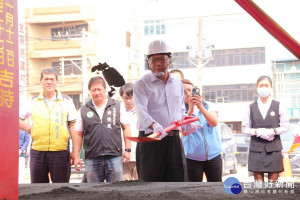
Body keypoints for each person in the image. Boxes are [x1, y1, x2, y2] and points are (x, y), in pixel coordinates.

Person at [133, 40, 196, 182]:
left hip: (173, 139)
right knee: (151, 186)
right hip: (150, 140)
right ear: (148, 62)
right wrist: (155, 125)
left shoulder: (177, 83)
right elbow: (141, 111)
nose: (158, 64)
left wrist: (186, 122)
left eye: (162, 59)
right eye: (154, 60)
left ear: (170, 61)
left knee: (178, 183)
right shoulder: (141, 84)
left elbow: (179, 110)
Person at [19, 68, 77, 183]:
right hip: (37, 151)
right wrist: (30, 129)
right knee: (38, 188)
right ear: (41, 82)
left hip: (61, 151)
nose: (49, 82)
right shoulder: (33, 100)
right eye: (46, 79)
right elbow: (17, 119)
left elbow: (73, 126)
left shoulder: (67, 100)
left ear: (57, 82)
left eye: (52, 79)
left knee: (62, 189)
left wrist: (75, 151)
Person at [72, 76, 131, 183]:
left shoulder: (117, 106)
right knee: (94, 192)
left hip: (114, 157)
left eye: (99, 89)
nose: (97, 92)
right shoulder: (84, 109)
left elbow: (126, 127)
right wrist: (76, 156)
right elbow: (78, 134)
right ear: (89, 91)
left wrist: (127, 150)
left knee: (116, 191)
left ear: (105, 90)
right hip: (92, 158)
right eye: (94, 90)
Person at [242, 75, 289, 182]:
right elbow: (244, 128)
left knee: (273, 185)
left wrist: (273, 131)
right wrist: (256, 131)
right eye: (261, 85)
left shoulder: (279, 105)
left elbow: (286, 126)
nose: (264, 88)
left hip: (274, 148)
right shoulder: (250, 107)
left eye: (266, 85)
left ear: (271, 88)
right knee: (259, 185)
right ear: (256, 88)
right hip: (256, 149)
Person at [181, 79, 222, 182]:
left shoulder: (209, 105)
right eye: (183, 92)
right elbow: (184, 130)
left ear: (196, 90)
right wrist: (190, 110)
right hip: (192, 157)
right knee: (194, 190)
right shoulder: (181, 111)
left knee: (216, 188)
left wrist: (200, 107)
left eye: (190, 90)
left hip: (214, 155)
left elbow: (214, 122)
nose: (188, 94)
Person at [119, 83, 138, 180]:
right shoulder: (118, 111)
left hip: (139, 156)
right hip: (123, 157)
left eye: (131, 97)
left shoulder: (142, 112)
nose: (129, 101)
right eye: (126, 98)